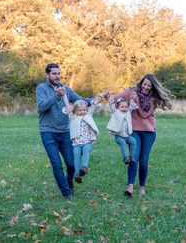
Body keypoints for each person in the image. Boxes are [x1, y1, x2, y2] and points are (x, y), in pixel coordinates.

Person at [35, 63, 107, 199]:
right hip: (48, 132)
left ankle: (69, 179)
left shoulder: (66, 89)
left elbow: (81, 100)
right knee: (56, 164)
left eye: (58, 73)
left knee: (71, 163)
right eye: (54, 74)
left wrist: (95, 100)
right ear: (47, 75)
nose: (57, 76)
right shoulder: (41, 89)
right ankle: (66, 193)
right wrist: (56, 95)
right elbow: (42, 107)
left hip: (65, 132)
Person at [107, 74, 173, 197]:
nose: (146, 87)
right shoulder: (131, 92)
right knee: (133, 158)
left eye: (149, 85)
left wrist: (136, 99)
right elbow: (115, 98)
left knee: (143, 161)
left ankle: (142, 186)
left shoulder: (153, 98)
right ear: (141, 83)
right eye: (145, 84)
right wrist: (106, 96)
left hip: (149, 132)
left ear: (152, 87)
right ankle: (130, 186)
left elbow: (144, 114)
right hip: (134, 131)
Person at [62, 95, 102, 184]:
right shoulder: (72, 117)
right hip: (76, 143)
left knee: (86, 149)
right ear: (75, 111)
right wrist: (64, 95)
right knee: (76, 155)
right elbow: (68, 107)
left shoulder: (88, 116)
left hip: (87, 142)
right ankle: (77, 174)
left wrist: (96, 101)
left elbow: (93, 107)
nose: (82, 112)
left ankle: (84, 167)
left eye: (84, 110)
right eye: (80, 110)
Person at [107, 97, 138, 165]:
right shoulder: (115, 112)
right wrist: (108, 97)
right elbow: (111, 105)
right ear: (117, 107)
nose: (124, 108)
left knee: (133, 141)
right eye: (122, 107)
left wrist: (133, 97)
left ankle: (131, 156)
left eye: (126, 107)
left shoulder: (128, 112)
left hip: (127, 136)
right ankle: (125, 157)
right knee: (123, 142)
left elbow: (132, 103)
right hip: (119, 136)